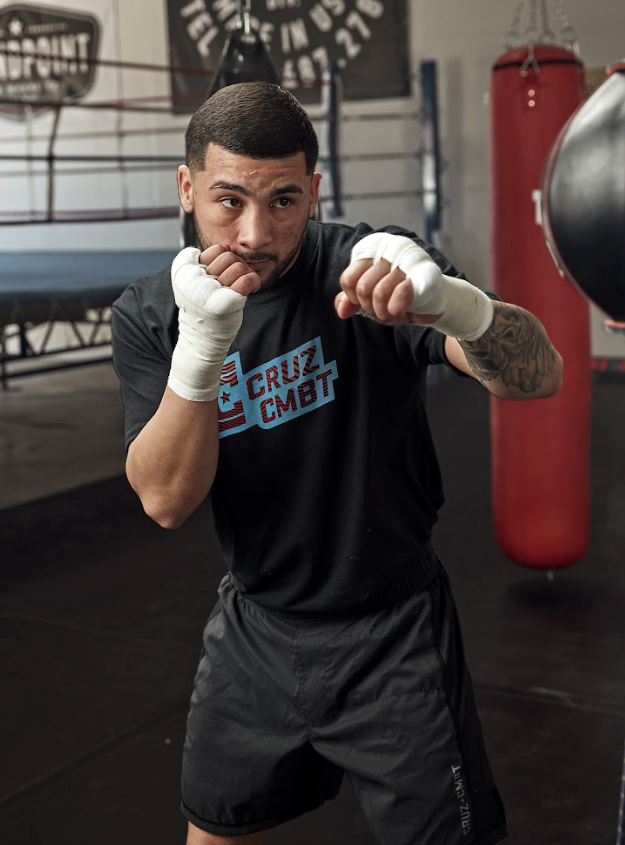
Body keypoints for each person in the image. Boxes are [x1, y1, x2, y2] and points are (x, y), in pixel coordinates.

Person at [111, 81, 562, 845]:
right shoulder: (153, 312)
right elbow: (164, 499)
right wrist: (200, 351)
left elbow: (538, 375)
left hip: (392, 634)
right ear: (186, 188)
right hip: (256, 627)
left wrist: (455, 305)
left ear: (314, 191)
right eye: (228, 200)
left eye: (284, 201)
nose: (255, 232)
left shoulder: (367, 272)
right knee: (211, 833)